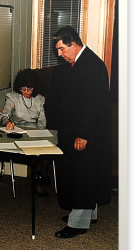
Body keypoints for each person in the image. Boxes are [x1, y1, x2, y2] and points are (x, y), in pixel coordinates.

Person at [51, 26, 112, 238]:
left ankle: (78, 223)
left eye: (61, 49)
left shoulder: (90, 65)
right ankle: (89, 213)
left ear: (74, 45)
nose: (60, 54)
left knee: (82, 175)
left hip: (85, 133)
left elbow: (91, 105)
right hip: (81, 130)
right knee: (87, 174)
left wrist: (84, 134)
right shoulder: (82, 62)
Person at [0, 68, 50, 196]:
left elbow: (42, 121)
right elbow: (4, 115)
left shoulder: (40, 99)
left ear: (35, 87)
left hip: (35, 132)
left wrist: (37, 133)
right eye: (23, 88)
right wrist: (7, 122)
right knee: (38, 156)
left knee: (45, 155)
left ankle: (39, 178)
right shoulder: (12, 97)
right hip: (18, 132)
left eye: (29, 89)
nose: (26, 92)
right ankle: (38, 181)